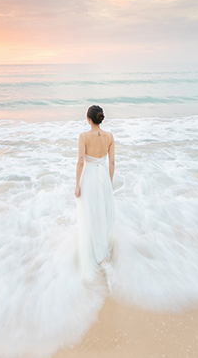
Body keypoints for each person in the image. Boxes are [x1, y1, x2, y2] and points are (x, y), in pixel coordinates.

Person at [75, 105, 115, 280]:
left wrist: (77, 185)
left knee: (90, 213)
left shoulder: (83, 136)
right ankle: (105, 250)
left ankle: (96, 253)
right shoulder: (110, 136)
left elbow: (81, 162)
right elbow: (112, 162)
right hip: (104, 177)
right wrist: (109, 182)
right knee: (103, 213)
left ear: (88, 119)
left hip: (90, 177)